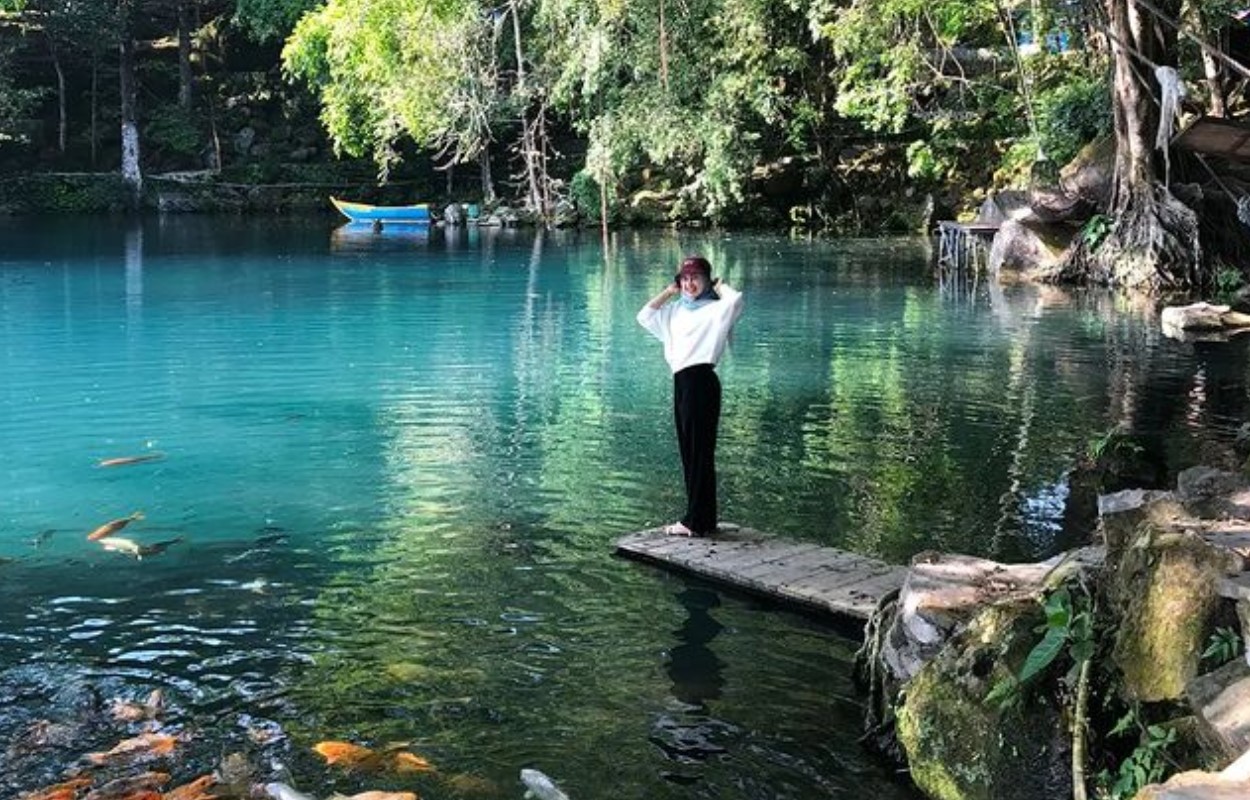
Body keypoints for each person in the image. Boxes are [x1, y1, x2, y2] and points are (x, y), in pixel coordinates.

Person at [637, 256, 745, 537]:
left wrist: (720, 286)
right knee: (691, 453)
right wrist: (669, 291)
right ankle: (700, 518)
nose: (689, 283)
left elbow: (736, 301)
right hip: (682, 383)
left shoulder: (716, 309)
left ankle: (696, 520)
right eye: (684, 278)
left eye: (696, 277)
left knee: (699, 453)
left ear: (707, 279)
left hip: (701, 381)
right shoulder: (674, 311)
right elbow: (644, 316)